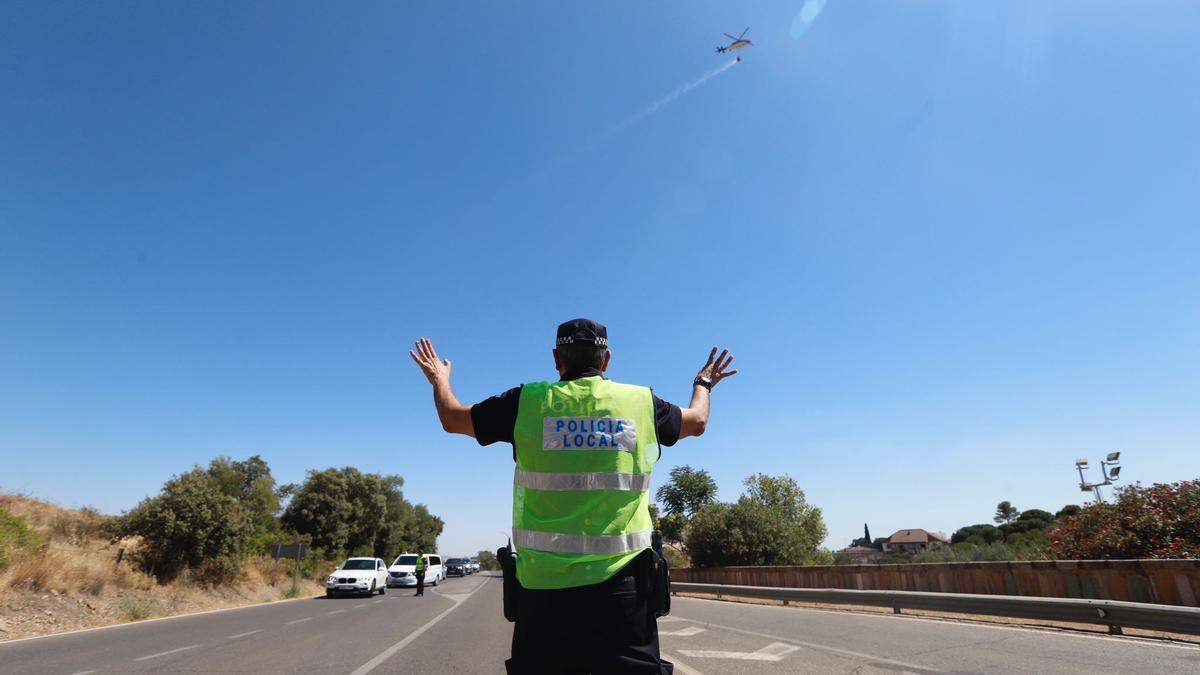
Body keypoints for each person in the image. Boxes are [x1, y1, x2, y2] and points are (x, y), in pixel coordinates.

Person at [410, 318, 736, 674]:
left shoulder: (526, 403)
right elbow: (697, 421)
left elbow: (453, 419)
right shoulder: (639, 403)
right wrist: (703, 383)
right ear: (606, 360)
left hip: (544, 591)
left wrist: (439, 380)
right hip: (623, 589)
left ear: (556, 359)